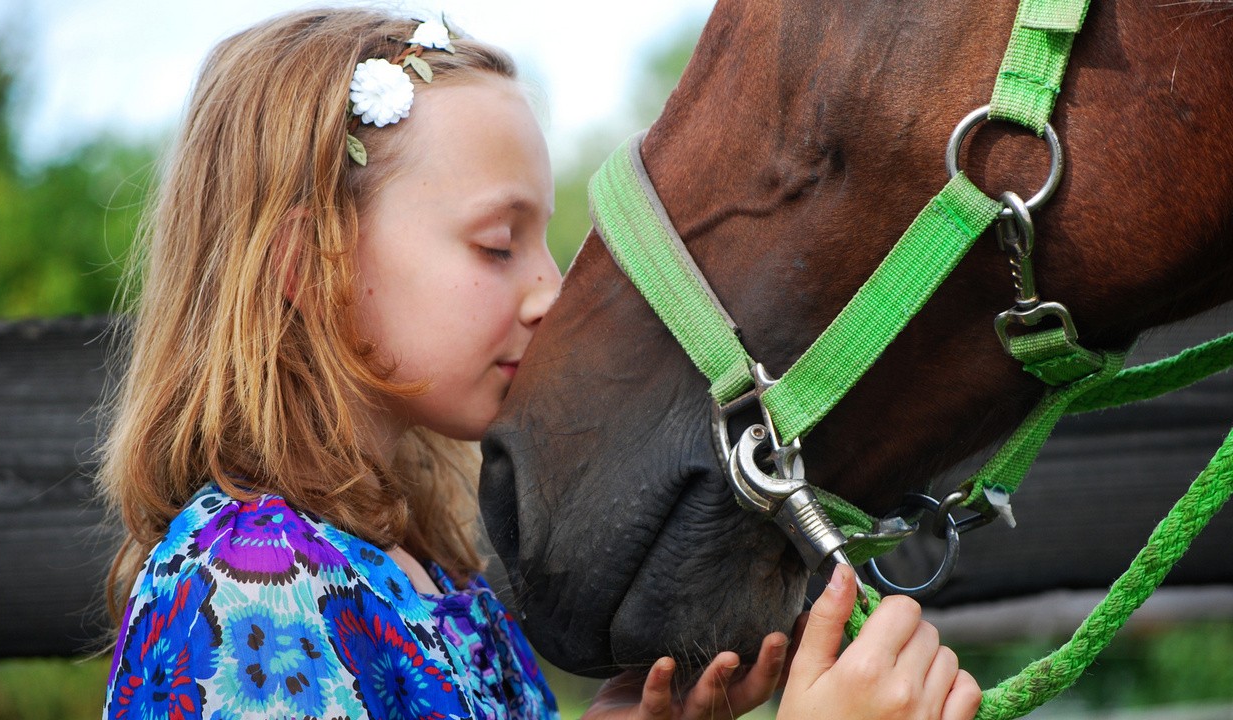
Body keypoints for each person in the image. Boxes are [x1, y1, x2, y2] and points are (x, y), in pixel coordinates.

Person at [98, 7, 982, 720]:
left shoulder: (422, 568)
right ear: (309, 265)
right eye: (495, 245)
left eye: (541, 242)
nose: (548, 294)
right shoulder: (250, 587)